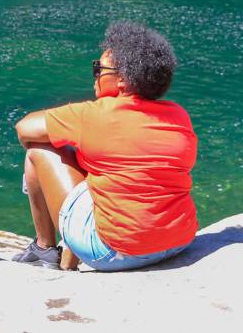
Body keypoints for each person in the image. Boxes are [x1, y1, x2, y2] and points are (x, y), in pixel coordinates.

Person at [13, 21, 197, 272]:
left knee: (40, 149)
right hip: (178, 242)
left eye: (99, 68)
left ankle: (44, 249)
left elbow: (24, 129)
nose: (96, 74)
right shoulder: (178, 116)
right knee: (107, 174)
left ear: (122, 79)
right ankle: (66, 260)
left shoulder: (95, 115)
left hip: (113, 253)